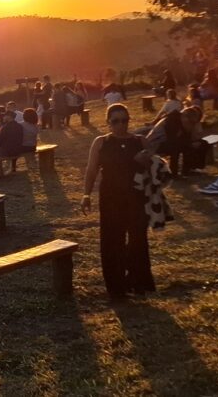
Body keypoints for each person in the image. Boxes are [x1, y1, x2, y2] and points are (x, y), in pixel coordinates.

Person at [81, 103, 156, 299]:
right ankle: (116, 286)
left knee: (137, 240)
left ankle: (138, 281)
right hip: (111, 197)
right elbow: (91, 170)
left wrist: (145, 161)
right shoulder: (101, 142)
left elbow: (153, 171)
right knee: (112, 240)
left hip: (136, 196)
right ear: (108, 123)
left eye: (124, 120)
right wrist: (86, 194)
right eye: (115, 121)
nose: (120, 125)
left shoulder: (140, 141)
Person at [145, 107, 206, 176]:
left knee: (200, 143)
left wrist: (193, 142)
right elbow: (172, 140)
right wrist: (189, 143)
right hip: (154, 145)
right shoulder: (172, 120)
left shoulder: (182, 122)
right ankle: (173, 172)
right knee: (177, 147)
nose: (191, 125)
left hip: (166, 142)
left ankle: (187, 170)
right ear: (185, 117)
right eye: (191, 122)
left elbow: (186, 138)